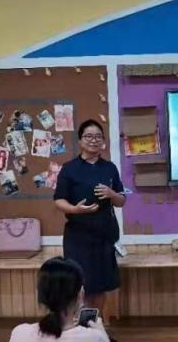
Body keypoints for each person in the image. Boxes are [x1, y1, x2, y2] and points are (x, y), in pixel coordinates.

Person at [54, 119, 126, 317]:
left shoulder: (109, 168)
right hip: (78, 236)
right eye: (88, 136)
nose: (94, 140)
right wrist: (75, 210)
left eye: (98, 137)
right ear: (80, 141)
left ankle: (96, 325)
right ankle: (81, 327)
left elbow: (121, 201)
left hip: (104, 235)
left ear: (103, 141)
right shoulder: (69, 168)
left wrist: (112, 194)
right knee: (81, 285)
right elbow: (59, 200)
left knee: (101, 285)